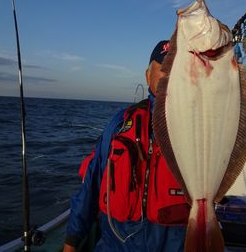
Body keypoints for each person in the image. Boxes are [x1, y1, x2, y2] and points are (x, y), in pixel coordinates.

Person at [63, 41, 189, 252]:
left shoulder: (195, 127)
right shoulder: (120, 123)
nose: (169, 76)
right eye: (164, 68)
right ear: (148, 76)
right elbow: (91, 184)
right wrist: (72, 240)